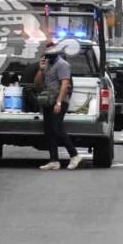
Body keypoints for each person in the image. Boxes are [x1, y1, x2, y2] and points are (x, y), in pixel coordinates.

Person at [35, 43, 81, 171]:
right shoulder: (47, 64)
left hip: (59, 101)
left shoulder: (63, 65)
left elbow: (65, 85)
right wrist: (40, 69)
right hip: (48, 101)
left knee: (57, 128)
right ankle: (54, 160)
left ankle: (74, 154)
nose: (48, 54)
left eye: (51, 51)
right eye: (47, 52)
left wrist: (59, 103)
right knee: (48, 130)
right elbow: (37, 83)